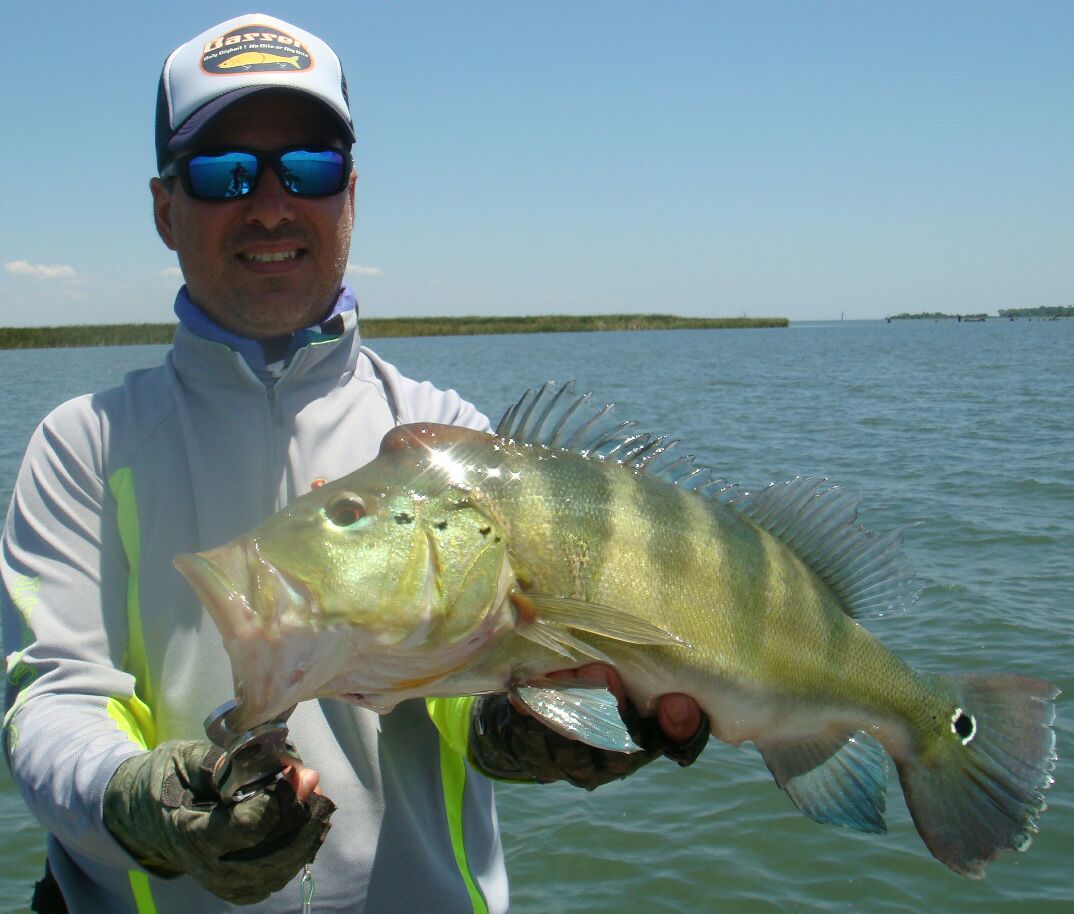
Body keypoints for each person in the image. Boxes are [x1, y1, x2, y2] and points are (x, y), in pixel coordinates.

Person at [1, 14, 708, 913]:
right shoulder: (84, 448)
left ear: (351, 195)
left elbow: (469, 683)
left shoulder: (447, 442)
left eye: (310, 167)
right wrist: (145, 806)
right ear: (165, 209)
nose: (269, 206)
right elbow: (53, 703)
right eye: (223, 172)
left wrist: (524, 729)